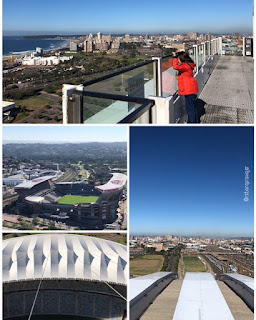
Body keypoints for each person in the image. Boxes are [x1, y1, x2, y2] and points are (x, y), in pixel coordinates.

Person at [172, 51, 199, 123]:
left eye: (178, 59)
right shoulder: (188, 65)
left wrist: (174, 57)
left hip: (189, 89)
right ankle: (195, 121)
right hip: (191, 88)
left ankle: (191, 123)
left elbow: (175, 67)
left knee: (190, 108)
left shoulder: (185, 66)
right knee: (192, 107)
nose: (178, 61)